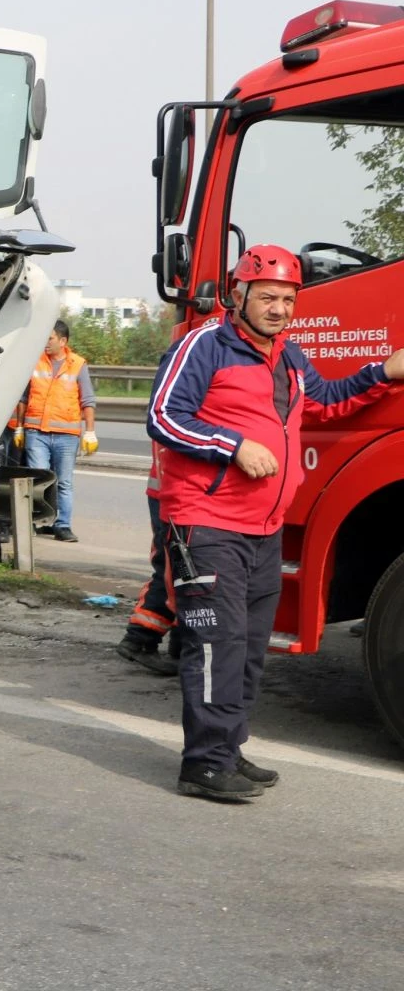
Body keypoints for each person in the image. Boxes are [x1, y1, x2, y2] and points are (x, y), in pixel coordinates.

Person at [147, 245, 404, 801]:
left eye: (288, 299)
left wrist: (386, 370)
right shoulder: (205, 345)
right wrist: (233, 446)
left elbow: (327, 403)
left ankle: (228, 749)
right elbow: (165, 415)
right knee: (214, 645)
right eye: (267, 297)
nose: (279, 308)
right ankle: (203, 764)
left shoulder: (288, 356)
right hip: (207, 522)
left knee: (248, 646)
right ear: (239, 295)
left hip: (263, 528)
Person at [14, 318, 95, 541]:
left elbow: (87, 400)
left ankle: (62, 525)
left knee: (64, 482)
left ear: (63, 340)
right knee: (38, 478)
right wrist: (19, 427)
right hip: (36, 432)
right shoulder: (35, 361)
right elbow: (23, 397)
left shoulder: (78, 364)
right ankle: (37, 521)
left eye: (49, 339)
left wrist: (90, 431)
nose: (45, 343)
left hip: (66, 435)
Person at [114, 447, 181, 676]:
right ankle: (140, 639)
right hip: (177, 494)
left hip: (176, 493)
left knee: (182, 573)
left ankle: (179, 645)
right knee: (174, 570)